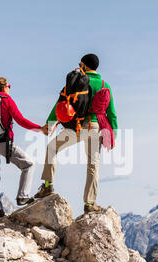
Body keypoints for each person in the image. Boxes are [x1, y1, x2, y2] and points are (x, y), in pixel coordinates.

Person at [34, 54, 118, 214]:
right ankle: (90, 204)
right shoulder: (105, 85)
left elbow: (60, 104)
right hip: (95, 128)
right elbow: (111, 113)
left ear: (85, 65)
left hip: (77, 127)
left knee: (52, 148)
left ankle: (47, 186)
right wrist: (112, 136)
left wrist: (49, 124)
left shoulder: (76, 81)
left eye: (80, 64)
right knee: (93, 165)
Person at [0, 77, 48, 219]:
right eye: (9, 86)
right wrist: (40, 128)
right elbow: (21, 120)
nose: (9, 88)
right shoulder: (6, 100)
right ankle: (23, 196)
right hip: (2, 142)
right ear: (4, 87)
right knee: (28, 164)